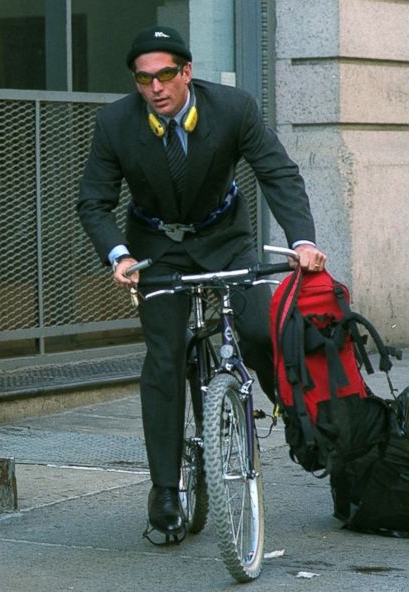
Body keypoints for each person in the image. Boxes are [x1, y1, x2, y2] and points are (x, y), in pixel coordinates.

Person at [78, 26, 328, 540]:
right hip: (156, 249)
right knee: (165, 360)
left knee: (260, 329)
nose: (156, 87)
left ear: (186, 72)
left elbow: (277, 173)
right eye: (144, 79)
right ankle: (166, 492)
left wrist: (302, 241)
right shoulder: (116, 123)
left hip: (225, 238)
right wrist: (119, 255)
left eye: (166, 75)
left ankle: (297, 421)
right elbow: (94, 201)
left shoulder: (233, 109)